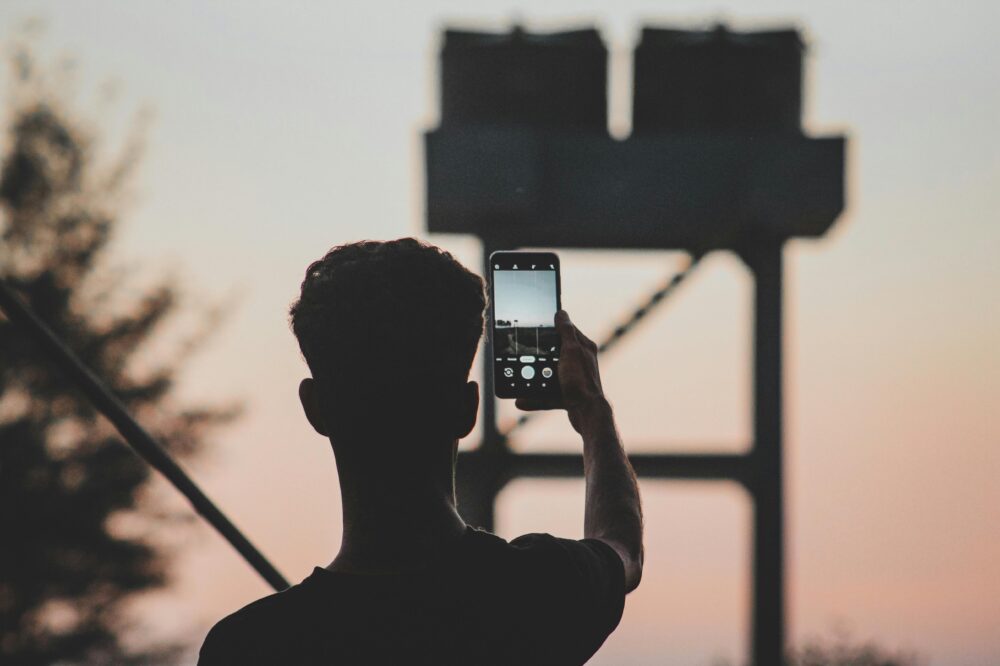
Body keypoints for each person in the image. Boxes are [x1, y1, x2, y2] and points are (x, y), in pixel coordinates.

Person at [198, 238, 643, 665]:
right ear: (467, 411)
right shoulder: (539, 593)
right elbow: (622, 548)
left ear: (315, 409)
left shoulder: (247, 646)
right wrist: (592, 410)